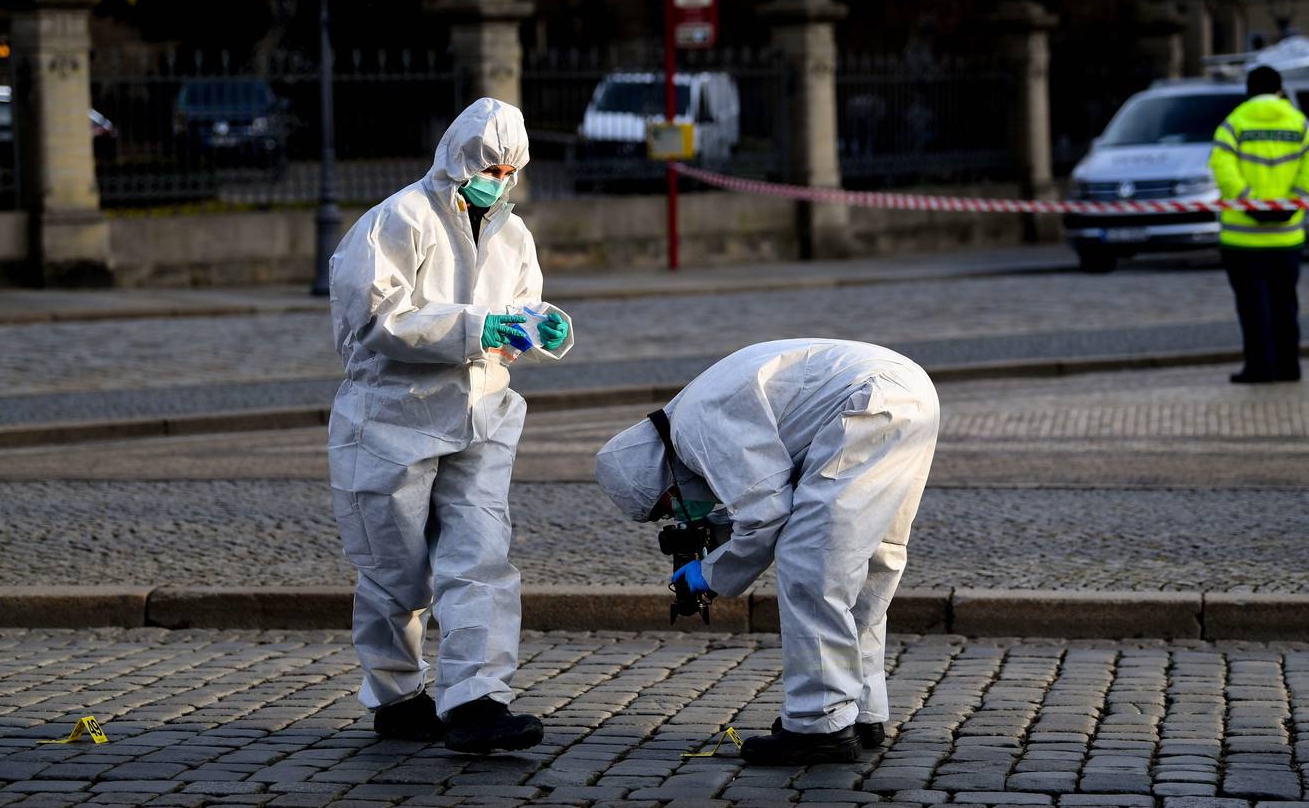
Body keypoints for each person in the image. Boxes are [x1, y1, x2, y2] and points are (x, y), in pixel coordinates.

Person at [327, 97, 573, 753]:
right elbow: (376, 321)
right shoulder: (396, 222)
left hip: (482, 413)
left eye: (510, 167)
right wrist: (477, 327)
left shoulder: (513, 236)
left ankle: (475, 702)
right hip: (393, 418)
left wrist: (536, 324)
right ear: (458, 157)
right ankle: (397, 696)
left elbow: (518, 311)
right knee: (394, 574)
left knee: (479, 561)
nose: (500, 177)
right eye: (490, 163)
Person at [594, 339, 939, 765]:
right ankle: (861, 710)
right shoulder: (692, 411)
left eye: (667, 505)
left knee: (811, 565)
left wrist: (711, 574)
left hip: (866, 402)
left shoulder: (693, 428)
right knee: (866, 562)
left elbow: (766, 515)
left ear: (658, 474)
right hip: (909, 389)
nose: (679, 512)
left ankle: (819, 724)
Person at [1209, 65, 1309, 383]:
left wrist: (1250, 202)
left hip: (1242, 239)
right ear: (1279, 89)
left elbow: (1222, 165)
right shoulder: (1301, 124)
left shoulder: (1234, 124)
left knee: (1252, 307)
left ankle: (1260, 367)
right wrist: (1291, 203)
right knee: (1285, 304)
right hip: (1287, 238)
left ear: (1249, 89)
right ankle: (1289, 367)